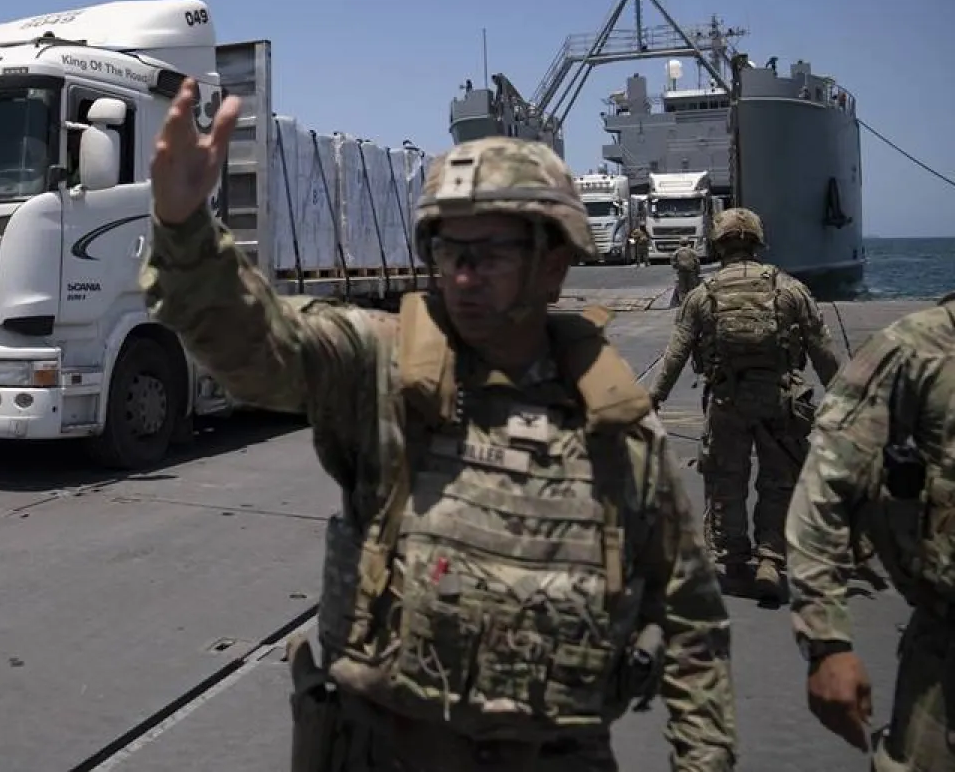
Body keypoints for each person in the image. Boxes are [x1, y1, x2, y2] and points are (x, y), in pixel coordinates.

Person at [140, 78, 736, 772]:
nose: (463, 275)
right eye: (449, 251)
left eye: (490, 252)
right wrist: (185, 231)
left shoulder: (617, 428)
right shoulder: (381, 365)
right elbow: (257, 346)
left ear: (554, 261)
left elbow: (694, 621)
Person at [785, 295, 955, 766]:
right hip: (945, 656)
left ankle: (747, 555)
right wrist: (825, 642)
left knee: (733, 485)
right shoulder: (921, 348)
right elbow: (828, 486)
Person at [647, 208, 840, 602]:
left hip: (726, 402)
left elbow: (675, 353)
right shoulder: (790, 289)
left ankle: (734, 562)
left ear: (718, 245)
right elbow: (822, 350)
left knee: (726, 483)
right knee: (779, 481)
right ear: (757, 241)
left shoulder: (703, 295)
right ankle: (770, 559)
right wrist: (847, 398)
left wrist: (652, 399)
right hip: (782, 401)